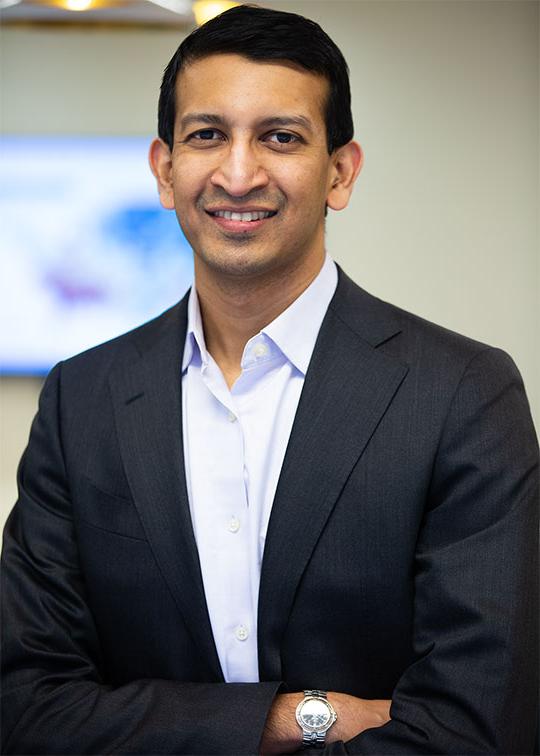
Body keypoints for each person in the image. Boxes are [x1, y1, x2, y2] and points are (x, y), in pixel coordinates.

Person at [1, 5, 538, 755]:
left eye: (280, 137)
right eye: (207, 135)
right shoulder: (80, 400)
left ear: (340, 172)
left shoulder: (462, 395)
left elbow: (477, 726)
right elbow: (27, 708)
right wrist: (294, 718)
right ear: (164, 169)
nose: (238, 173)